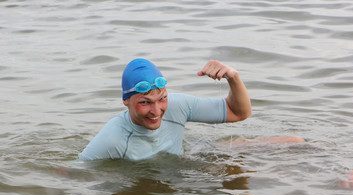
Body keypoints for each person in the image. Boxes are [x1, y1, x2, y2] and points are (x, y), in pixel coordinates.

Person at [79, 58, 303, 161]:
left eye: (162, 99)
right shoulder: (112, 138)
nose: (156, 110)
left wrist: (233, 78)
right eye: (145, 102)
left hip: (193, 153)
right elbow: (73, 172)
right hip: (164, 174)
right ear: (126, 102)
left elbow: (239, 113)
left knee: (295, 142)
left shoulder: (177, 104)